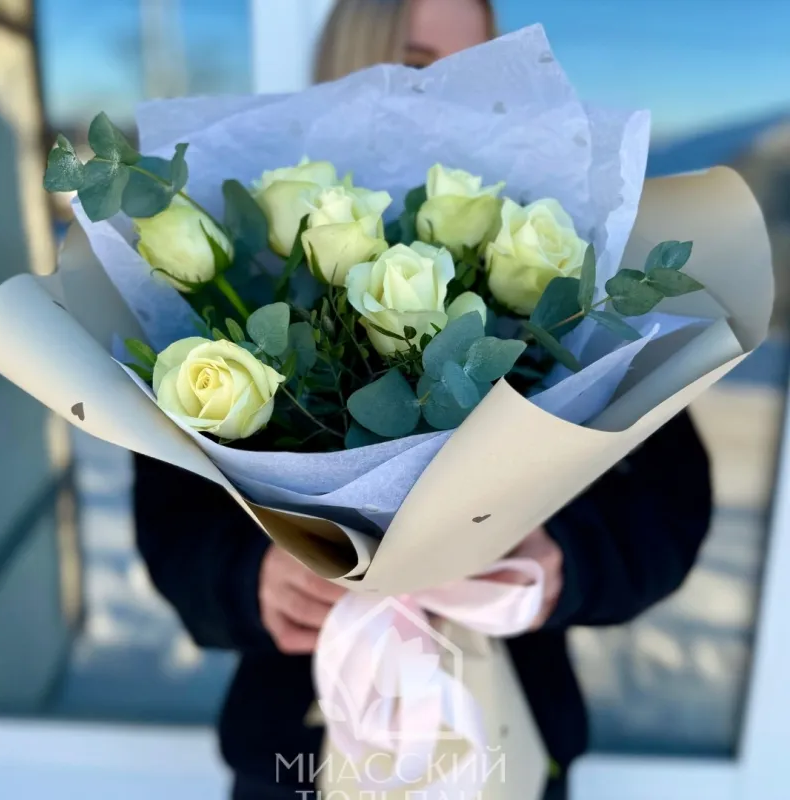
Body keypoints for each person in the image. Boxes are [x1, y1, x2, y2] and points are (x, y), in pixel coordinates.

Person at [133, 1, 713, 798]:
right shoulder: (248, 274)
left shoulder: (566, 276)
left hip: (511, 731)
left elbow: (671, 502)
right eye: (417, 66)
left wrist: (564, 562)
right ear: (350, 65)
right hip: (295, 751)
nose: (453, 95)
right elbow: (169, 516)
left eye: (481, 73)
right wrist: (248, 578)